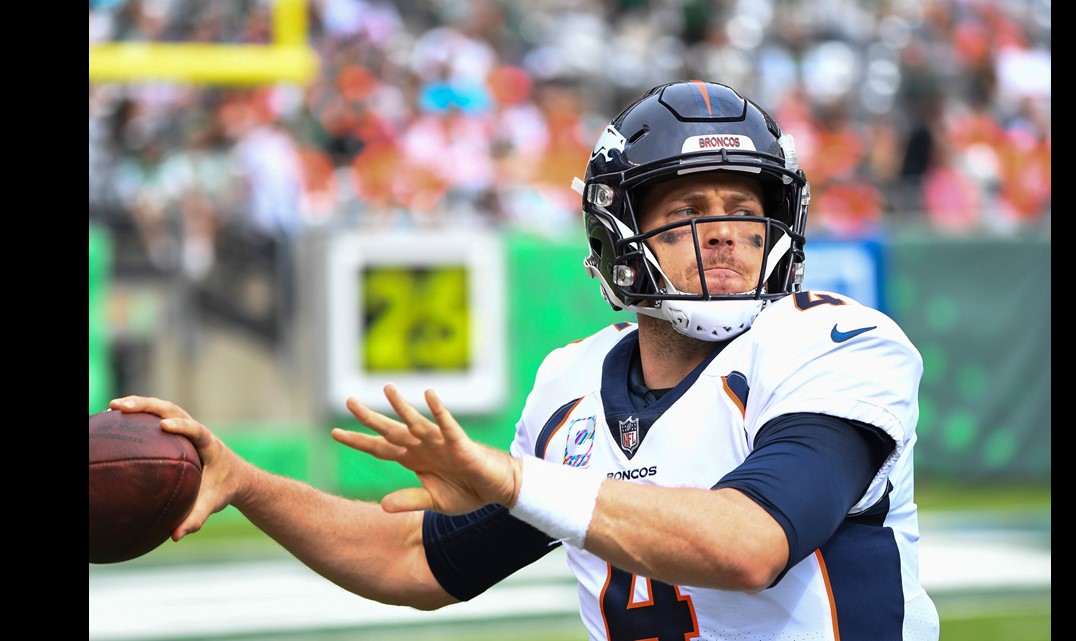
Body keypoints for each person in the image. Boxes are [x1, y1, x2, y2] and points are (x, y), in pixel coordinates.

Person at [110, 80, 940, 640]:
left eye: (743, 208)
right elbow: (413, 560)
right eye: (688, 209)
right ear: (620, 235)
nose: (724, 231)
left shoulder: (836, 342)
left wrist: (515, 481)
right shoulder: (574, 386)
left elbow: (749, 543)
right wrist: (247, 482)